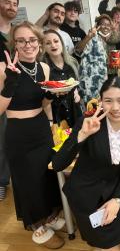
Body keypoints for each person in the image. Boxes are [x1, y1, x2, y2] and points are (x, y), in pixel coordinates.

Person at [52, 76, 120, 250]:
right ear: (100, 102)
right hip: (85, 197)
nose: (115, 108)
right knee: (109, 248)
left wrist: (117, 199)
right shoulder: (89, 124)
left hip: (113, 194)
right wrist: (81, 136)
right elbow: (57, 164)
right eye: (108, 101)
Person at [0, 21, 64, 248]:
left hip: (40, 128)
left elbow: (43, 103)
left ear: (39, 42)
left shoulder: (43, 68)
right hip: (18, 133)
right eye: (21, 40)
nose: (27, 45)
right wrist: (10, 84)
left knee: (46, 175)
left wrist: (53, 97)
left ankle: (49, 215)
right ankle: (37, 226)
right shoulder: (3, 69)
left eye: (32, 40)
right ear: (14, 44)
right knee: (28, 181)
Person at [0, 0, 19, 201]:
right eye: (7, 2)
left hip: (20, 90)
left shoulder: (17, 32)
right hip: (1, 93)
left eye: (14, 3)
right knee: (2, 137)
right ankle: (2, 180)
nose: (11, 7)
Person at [42, 29, 82, 127]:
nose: (53, 45)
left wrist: (77, 93)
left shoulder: (73, 63)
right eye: (48, 43)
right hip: (57, 115)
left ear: (61, 43)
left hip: (75, 112)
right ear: (43, 47)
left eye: (56, 41)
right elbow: (43, 98)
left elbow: (76, 84)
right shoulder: (43, 68)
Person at [78, 14, 111, 104]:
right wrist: (89, 36)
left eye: (108, 25)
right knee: (90, 109)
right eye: (103, 24)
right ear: (97, 26)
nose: (106, 27)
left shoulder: (103, 40)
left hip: (101, 81)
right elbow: (78, 50)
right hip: (90, 84)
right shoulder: (92, 38)